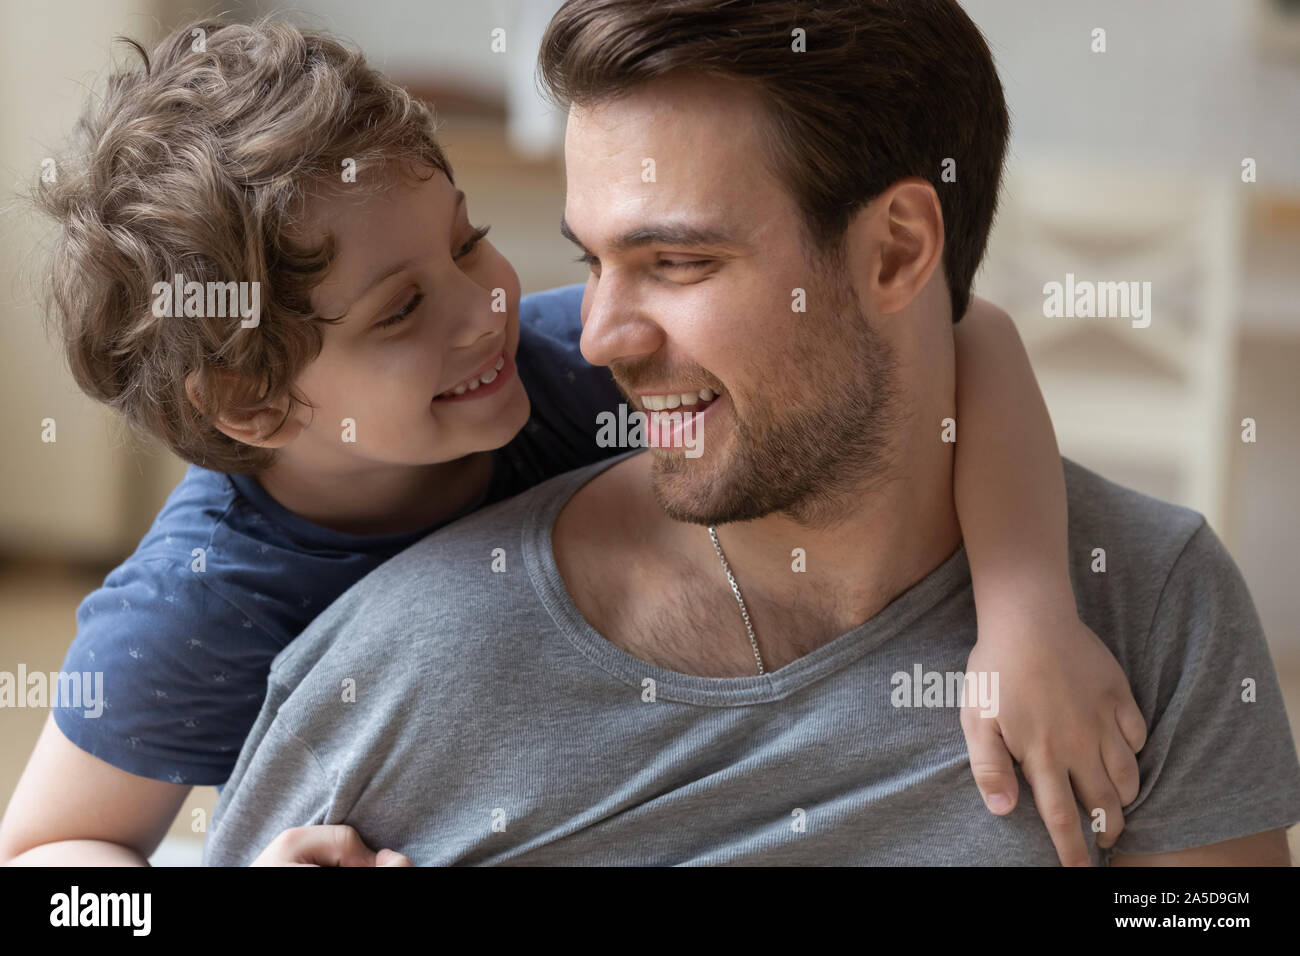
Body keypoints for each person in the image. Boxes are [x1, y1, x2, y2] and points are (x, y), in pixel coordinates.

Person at [7, 7, 1144, 868]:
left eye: (469, 241)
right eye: (402, 309)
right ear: (252, 405)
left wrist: (1027, 609)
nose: (483, 306)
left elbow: (967, 329)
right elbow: (49, 860)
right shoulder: (199, 602)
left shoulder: (558, 361)